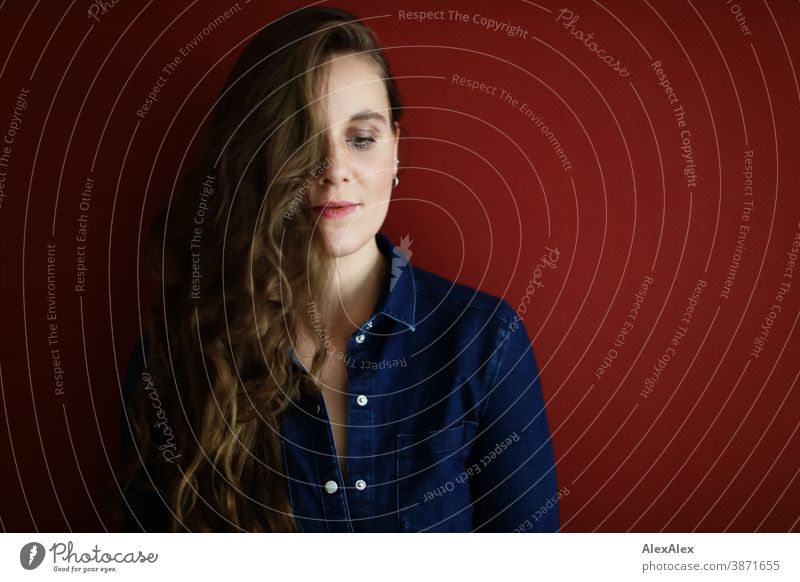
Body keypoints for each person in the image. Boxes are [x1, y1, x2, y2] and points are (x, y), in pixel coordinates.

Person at [117, 5, 560, 533]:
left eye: (361, 138)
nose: (333, 172)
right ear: (255, 157)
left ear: (395, 148)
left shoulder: (485, 341)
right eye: (300, 140)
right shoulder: (176, 355)